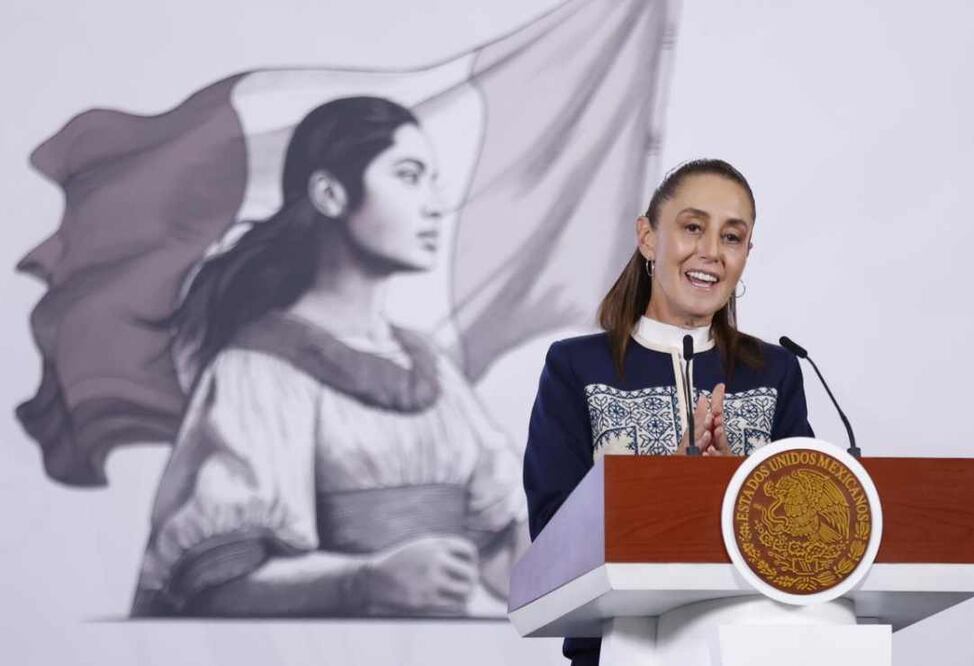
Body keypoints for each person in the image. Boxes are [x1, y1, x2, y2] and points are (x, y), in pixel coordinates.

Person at [131, 96, 529, 617]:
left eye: (433, 180)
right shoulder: (258, 368)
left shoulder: (430, 366)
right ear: (330, 193)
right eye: (409, 176)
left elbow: (502, 555)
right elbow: (215, 582)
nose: (434, 204)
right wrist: (363, 581)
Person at [522, 159, 814, 664]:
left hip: (754, 648)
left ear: (747, 254)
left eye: (732, 237)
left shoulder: (776, 371)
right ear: (648, 237)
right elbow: (554, 536)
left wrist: (739, 486)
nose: (710, 252)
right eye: (693, 227)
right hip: (615, 651)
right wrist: (669, 487)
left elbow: (812, 529)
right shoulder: (575, 367)